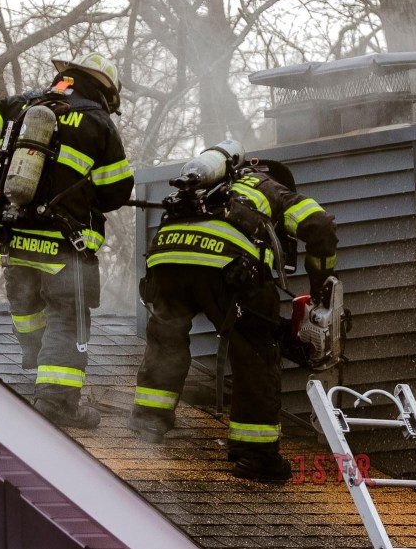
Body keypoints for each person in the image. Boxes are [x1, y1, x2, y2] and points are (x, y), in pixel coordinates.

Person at [130, 152, 338, 481]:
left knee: (165, 341)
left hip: (166, 259)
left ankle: (148, 423)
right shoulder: (269, 186)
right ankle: (256, 455)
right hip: (228, 265)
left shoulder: (207, 188)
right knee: (254, 351)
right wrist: (319, 286)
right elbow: (319, 225)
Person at [0, 53, 134, 429]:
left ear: (68, 76)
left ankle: (37, 370)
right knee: (67, 317)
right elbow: (116, 191)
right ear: (106, 93)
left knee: (27, 306)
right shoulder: (98, 121)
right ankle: (57, 402)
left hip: (13, 236)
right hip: (64, 242)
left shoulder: (24, 104)